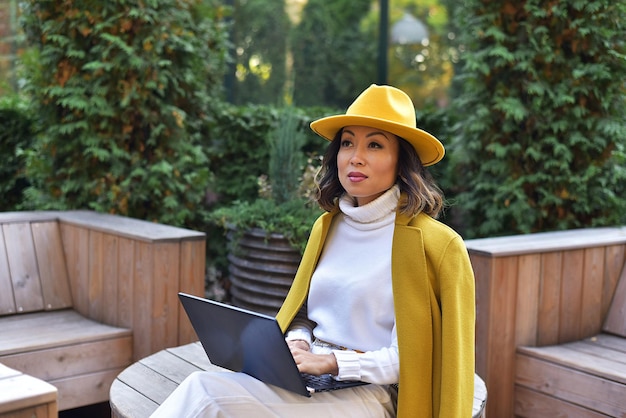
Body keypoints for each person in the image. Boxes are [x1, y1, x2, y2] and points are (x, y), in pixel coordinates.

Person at [151, 84, 476, 418]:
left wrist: (333, 362)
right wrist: (300, 341)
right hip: (307, 380)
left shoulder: (437, 245)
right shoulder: (327, 226)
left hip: (369, 397)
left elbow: (416, 356)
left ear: (402, 161)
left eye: (375, 144)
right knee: (199, 385)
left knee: (207, 396)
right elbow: (307, 311)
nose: (355, 156)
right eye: (347, 142)